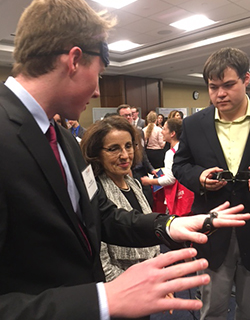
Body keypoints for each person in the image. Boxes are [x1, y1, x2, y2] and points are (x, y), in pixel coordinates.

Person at [0, 2, 249, 318]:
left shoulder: (60, 137)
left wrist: (169, 224)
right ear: (75, 60)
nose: (96, 93)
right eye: (100, 74)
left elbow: (98, 216)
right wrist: (102, 300)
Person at [172, 47, 250, 320]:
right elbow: (179, 165)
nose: (220, 94)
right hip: (213, 229)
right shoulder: (194, 124)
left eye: (228, 85)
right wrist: (200, 178)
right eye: (213, 87)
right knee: (212, 309)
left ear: (246, 79)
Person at [81, 116, 160, 319]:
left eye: (128, 146)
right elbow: (102, 262)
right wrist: (137, 291)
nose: (125, 155)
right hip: (121, 295)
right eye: (113, 149)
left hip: (148, 285)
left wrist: (158, 278)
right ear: (96, 154)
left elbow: (148, 232)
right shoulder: (95, 192)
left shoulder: (133, 183)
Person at [117, 104, 156, 208]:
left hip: (141, 172)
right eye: (125, 116)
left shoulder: (139, 131)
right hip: (126, 172)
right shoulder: (115, 135)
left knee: (148, 200)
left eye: (130, 115)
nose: (129, 117)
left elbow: (142, 153)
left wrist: (151, 169)